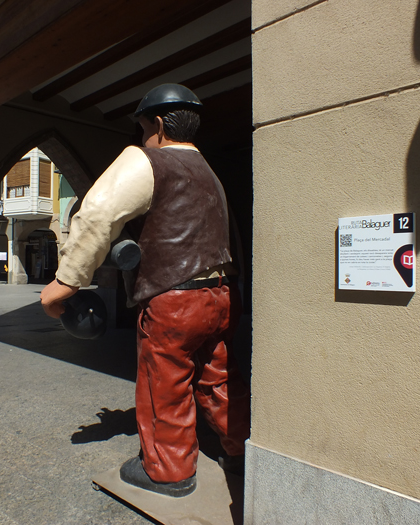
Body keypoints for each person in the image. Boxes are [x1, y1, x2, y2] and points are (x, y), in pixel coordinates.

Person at [40, 84, 250, 497]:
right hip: (223, 294)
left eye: (141, 128)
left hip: (174, 298)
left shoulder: (147, 159)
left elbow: (97, 214)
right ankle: (241, 448)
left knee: (163, 382)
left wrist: (66, 282)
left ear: (155, 124)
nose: (140, 137)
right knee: (219, 376)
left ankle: (167, 471)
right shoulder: (208, 171)